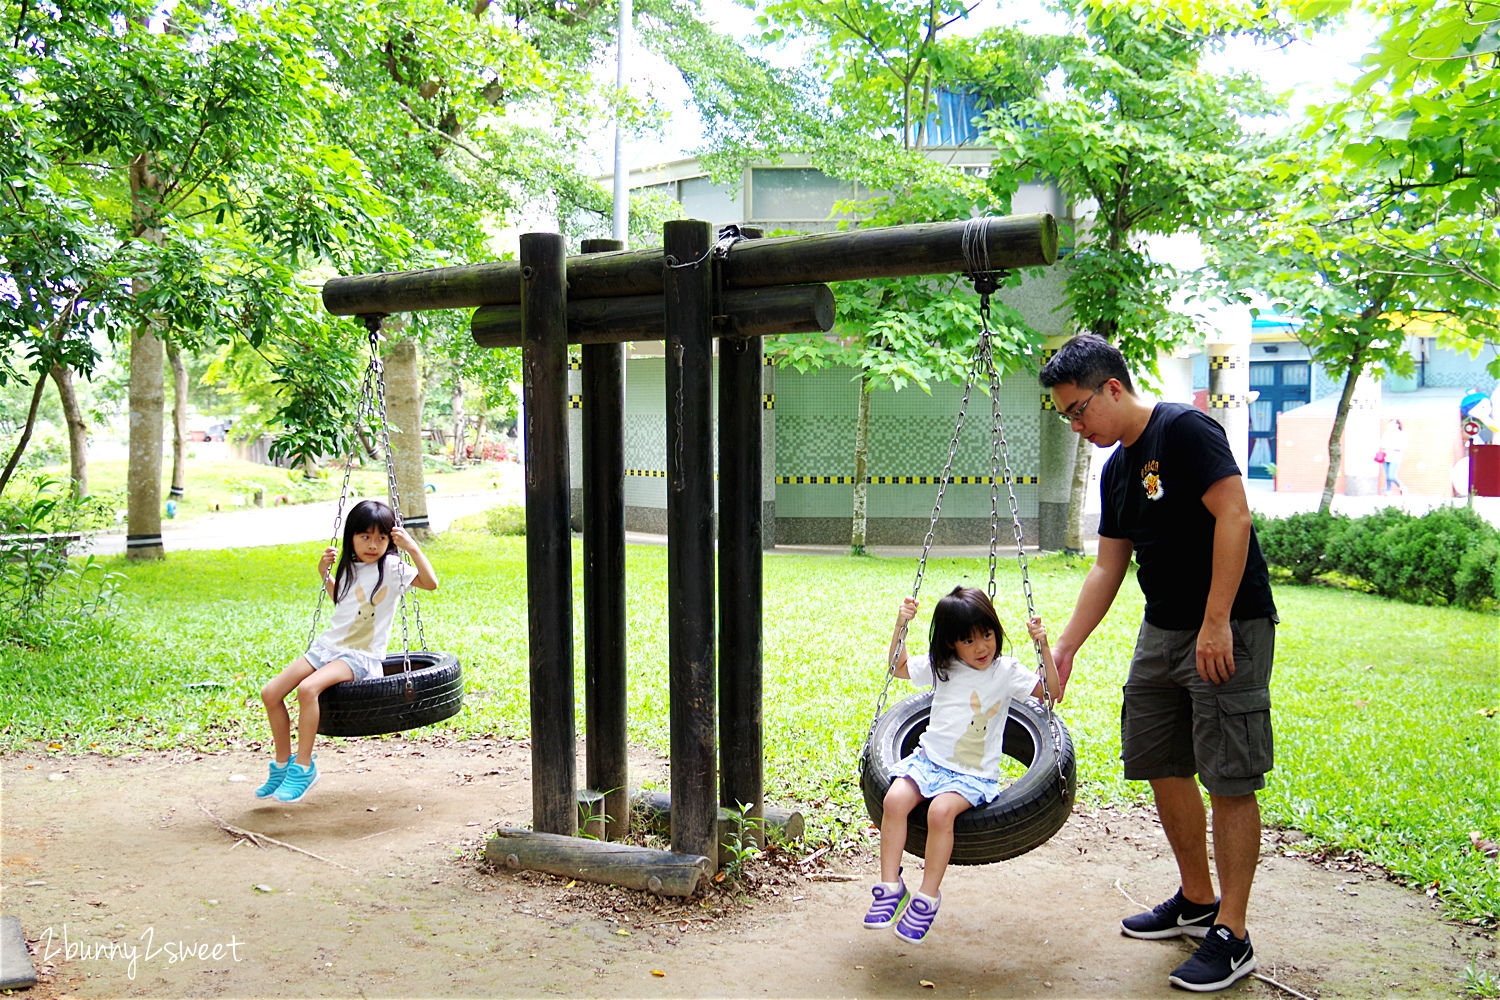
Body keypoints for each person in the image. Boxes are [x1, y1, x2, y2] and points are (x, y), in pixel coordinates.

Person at [1039, 334, 1277, 993]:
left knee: (1229, 773)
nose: (1076, 425)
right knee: (1159, 758)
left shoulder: (1186, 431)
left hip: (1228, 623)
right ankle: (1197, 900)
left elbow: (1234, 515)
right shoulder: (1119, 469)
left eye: (1078, 410)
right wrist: (1065, 647)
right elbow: (1107, 566)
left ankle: (1232, 932)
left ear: (1113, 388)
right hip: (1163, 629)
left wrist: (1217, 619)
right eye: (1066, 416)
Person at [863, 586, 1061, 945]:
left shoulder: (1004, 671)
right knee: (893, 801)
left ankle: (926, 897)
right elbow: (899, 668)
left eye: (987, 635)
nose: (982, 647)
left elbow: (1051, 692)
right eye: (969, 640)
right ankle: (890, 887)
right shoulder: (944, 667)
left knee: (940, 813)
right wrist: (901, 624)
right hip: (929, 761)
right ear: (952, 644)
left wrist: (1043, 644)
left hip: (972, 775)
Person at [257, 499, 439, 804]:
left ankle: (304, 768)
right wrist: (324, 574)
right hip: (326, 648)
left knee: (307, 689)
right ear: (351, 537)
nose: (373, 544)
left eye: (381, 538)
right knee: (270, 693)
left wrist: (411, 547)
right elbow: (343, 603)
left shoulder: (391, 567)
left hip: (360, 657)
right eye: (365, 537)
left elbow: (431, 583)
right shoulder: (350, 565)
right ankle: (281, 765)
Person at [1380, 419, 1407, 495]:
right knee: (1387, 476)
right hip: (1386, 457)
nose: (1391, 426)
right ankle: (1389, 491)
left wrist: (1392, 447)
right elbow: (1382, 444)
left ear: (1397, 425)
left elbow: (1403, 447)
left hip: (1395, 457)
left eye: (1392, 424)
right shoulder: (1387, 434)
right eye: (1390, 424)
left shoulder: (1401, 434)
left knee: (1391, 476)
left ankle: (1402, 486)